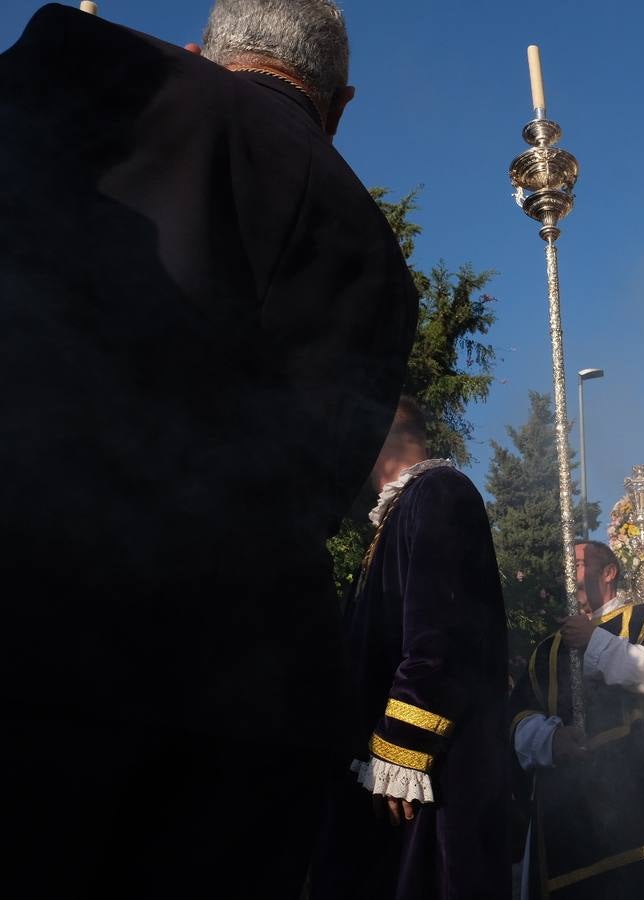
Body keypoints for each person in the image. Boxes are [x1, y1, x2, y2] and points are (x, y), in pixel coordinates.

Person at [0, 2, 416, 896]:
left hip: (39, 636)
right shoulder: (383, 264)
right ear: (340, 103)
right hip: (254, 714)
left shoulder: (90, 67)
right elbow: (317, 491)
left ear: (200, 52)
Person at [311, 397, 511, 899]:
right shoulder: (398, 514)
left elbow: (439, 630)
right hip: (384, 774)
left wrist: (404, 744)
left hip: (431, 777)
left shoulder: (440, 491)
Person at [507, 541, 644, 899]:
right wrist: (550, 740)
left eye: (579, 564)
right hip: (567, 817)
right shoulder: (546, 652)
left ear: (609, 572)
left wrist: (594, 641)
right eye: (565, 567)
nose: (569, 575)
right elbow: (517, 717)